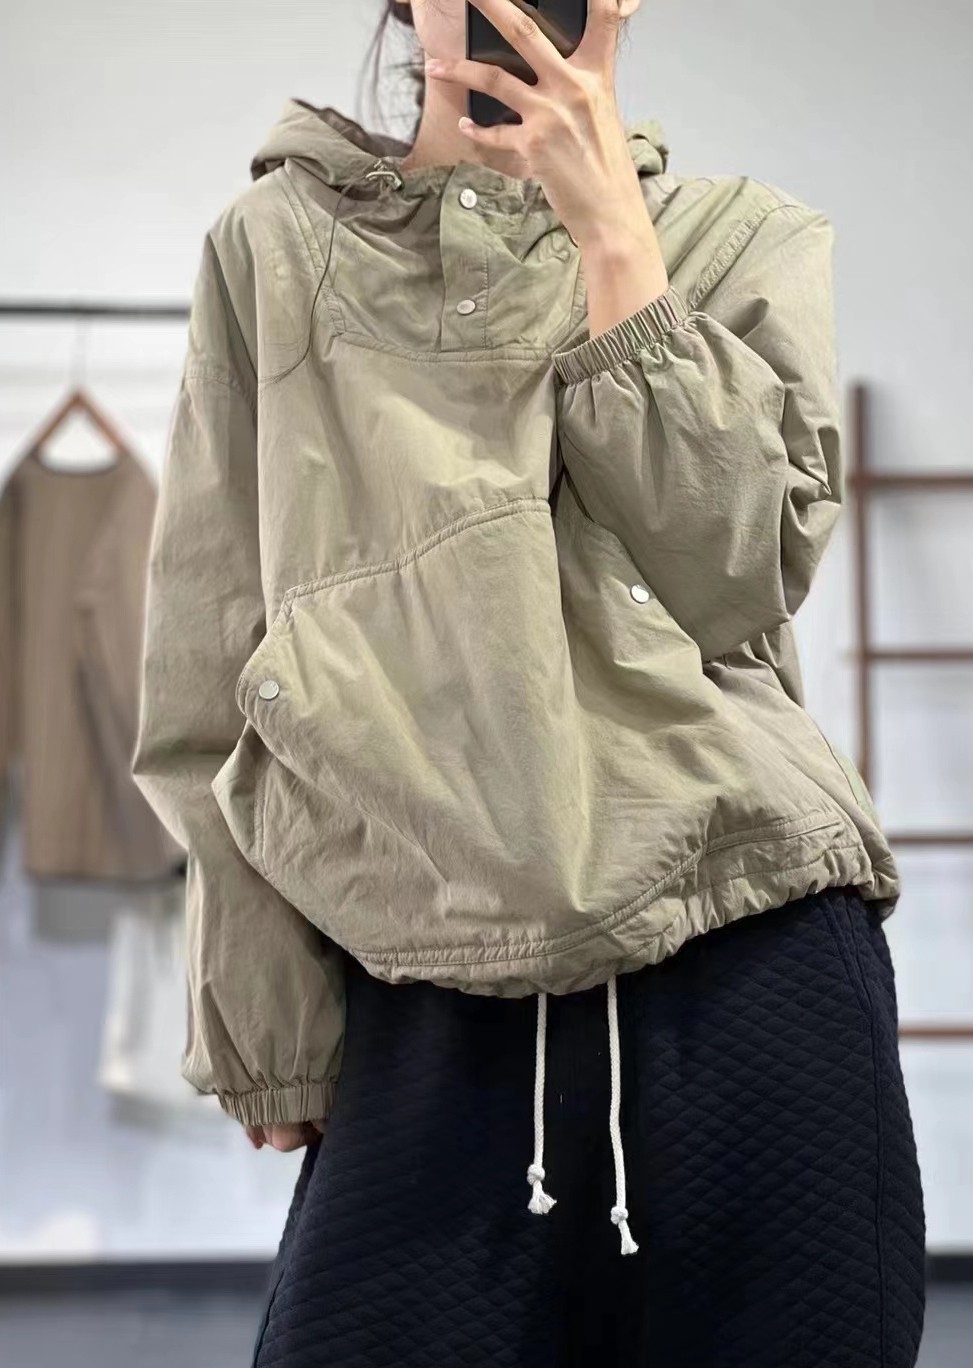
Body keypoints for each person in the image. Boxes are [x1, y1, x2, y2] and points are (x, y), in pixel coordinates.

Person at [131, 1, 927, 1363]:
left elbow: (739, 575)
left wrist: (615, 241)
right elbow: (207, 650)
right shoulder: (273, 248)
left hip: (752, 950)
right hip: (421, 977)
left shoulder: (741, 237)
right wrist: (260, 1006)